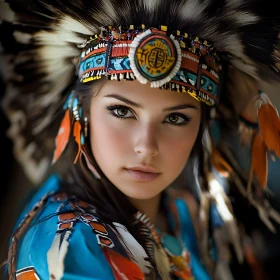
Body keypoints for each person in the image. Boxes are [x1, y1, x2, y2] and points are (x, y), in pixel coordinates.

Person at [1, 0, 280, 279]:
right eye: (122, 111)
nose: (146, 146)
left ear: (203, 126)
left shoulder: (185, 213)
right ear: (80, 110)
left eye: (175, 118)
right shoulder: (69, 249)